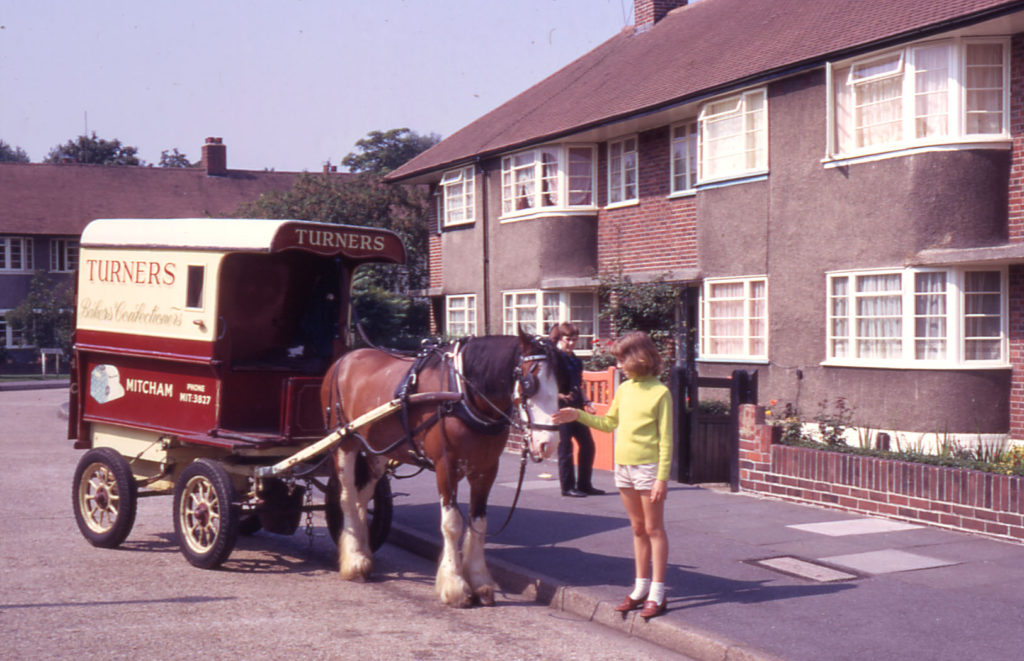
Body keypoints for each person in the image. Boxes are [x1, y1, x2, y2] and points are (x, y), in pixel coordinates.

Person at [553, 331, 673, 619]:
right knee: (637, 529)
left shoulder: (661, 392)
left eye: (622, 359)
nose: (619, 365)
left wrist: (662, 478)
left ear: (637, 357)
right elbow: (608, 424)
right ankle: (639, 589)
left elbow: (666, 440)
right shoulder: (625, 389)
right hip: (624, 469)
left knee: (654, 529)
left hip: (647, 469)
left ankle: (657, 592)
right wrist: (577, 415)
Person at [549, 323, 605, 498]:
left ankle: (585, 485)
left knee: (588, 445)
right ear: (560, 339)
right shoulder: (553, 359)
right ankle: (567, 487)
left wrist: (587, 401)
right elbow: (546, 384)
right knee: (565, 447)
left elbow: (578, 384)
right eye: (568, 339)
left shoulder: (575, 359)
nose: (571, 343)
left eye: (574, 339)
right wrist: (557, 395)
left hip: (577, 407)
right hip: (561, 408)